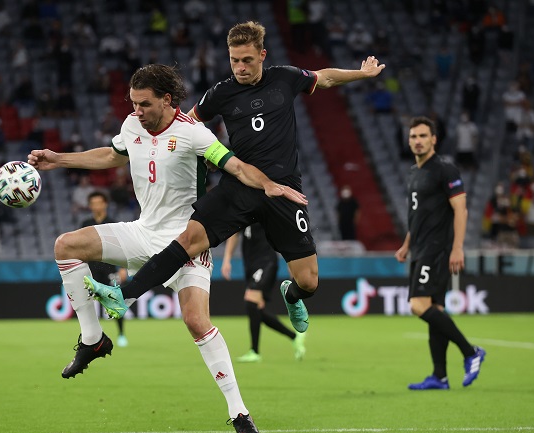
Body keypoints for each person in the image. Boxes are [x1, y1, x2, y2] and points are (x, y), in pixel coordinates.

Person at [27, 64, 306, 433]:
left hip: (186, 242)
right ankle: (92, 339)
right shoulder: (132, 125)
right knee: (65, 245)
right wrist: (57, 159)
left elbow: (236, 166)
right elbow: (112, 155)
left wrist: (269, 185)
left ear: (167, 100)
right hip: (142, 233)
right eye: (133, 103)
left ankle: (239, 412)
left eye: (144, 104)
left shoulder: (193, 132)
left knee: (196, 321)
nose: (137, 111)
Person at [87, 21, 385, 337]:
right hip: (239, 184)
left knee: (309, 281)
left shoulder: (285, 78)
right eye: (234, 60)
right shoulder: (221, 93)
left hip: (283, 190)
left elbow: (324, 78)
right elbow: (187, 123)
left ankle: (291, 295)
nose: (240, 67)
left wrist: (361, 74)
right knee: (188, 241)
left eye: (247, 60)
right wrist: (196, 152)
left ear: (262, 55)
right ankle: (124, 296)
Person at [394, 116, 486, 391]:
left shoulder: (445, 169)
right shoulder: (414, 172)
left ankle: (471, 352)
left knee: (417, 305)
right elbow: (417, 215)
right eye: (413, 136)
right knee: (436, 310)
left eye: (423, 136)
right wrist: (407, 243)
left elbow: (460, 209)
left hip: (437, 249)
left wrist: (457, 247)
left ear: (434, 139)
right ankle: (440, 376)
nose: (418, 141)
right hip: (420, 248)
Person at [221, 223, 306, 363]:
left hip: (266, 262)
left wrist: (292, 267)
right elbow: (234, 234)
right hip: (250, 264)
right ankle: (294, 336)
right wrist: (227, 259)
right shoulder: (243, 213)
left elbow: (283, 237)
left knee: (250, 301)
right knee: (257, 310)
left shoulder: (266, 212)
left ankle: (255, 352)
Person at [80, 190, 128, 347]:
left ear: (105, 204)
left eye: (99, 203)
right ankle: (91, 337)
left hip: (109, 269)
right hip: (91, 269)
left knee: (114, 300)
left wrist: (123, 268)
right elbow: (79, 247)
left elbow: (123, 247)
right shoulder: (85, 224)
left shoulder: (113, 224)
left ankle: (121, 334)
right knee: (87, 304)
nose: (96, 206)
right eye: (93, 204)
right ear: (90, 206)